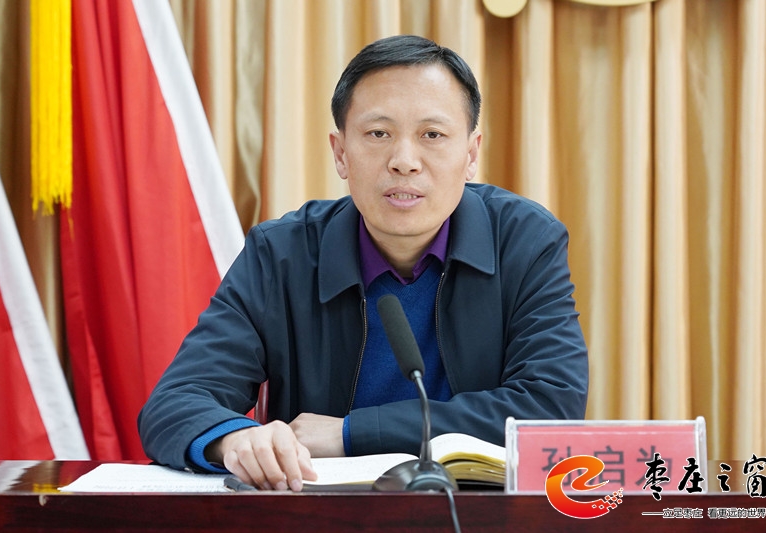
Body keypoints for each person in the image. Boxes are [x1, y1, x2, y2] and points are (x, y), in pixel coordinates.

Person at [138, 34, 588, 492]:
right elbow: (175, 403)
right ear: (340, 153)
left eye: (432, 135)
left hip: (477, 512)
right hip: (324, 514)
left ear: (470, 154)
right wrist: (235, 440)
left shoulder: (523, 242)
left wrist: (352, 433)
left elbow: (551, 407)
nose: (404, 162)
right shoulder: (282, 255)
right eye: (378, 134)